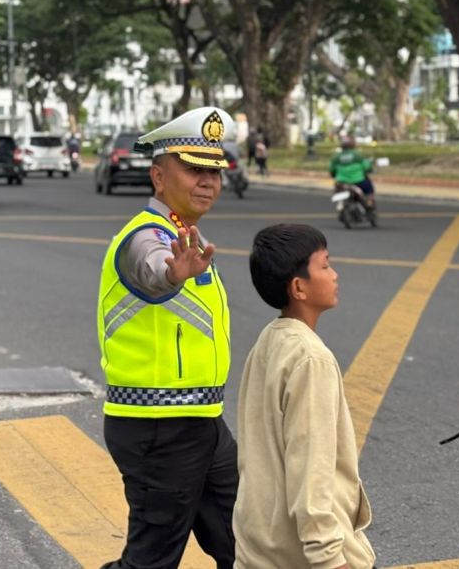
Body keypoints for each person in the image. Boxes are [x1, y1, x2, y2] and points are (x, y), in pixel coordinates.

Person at [96, 106, 237, 569]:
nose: (208, 182)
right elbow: (153, 269)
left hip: (202, 421)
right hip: (157, 428)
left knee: (249, 542)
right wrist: (172, 274)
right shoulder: (145, 237)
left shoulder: (184, 234)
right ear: (158, 177)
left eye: (214, 171)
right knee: (151, 561)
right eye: (194, 170)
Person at [234, 223, 376, 569]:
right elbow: (311, 465)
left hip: (261, 548)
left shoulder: (269, 340)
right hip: (304, 557)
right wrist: (328, 557)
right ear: (299, 287)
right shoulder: (312, 359)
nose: (335, 274)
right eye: (325, 265)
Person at [330, 135, 375, 210]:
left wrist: (335, 175)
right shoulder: (357, 155)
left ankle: (341, 204)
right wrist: (369, 169)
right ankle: (369, 202)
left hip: (341, 182)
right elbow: (366, 166)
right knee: (368, 188)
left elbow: (332, 169)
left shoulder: (337, 156)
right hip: (358, 180)